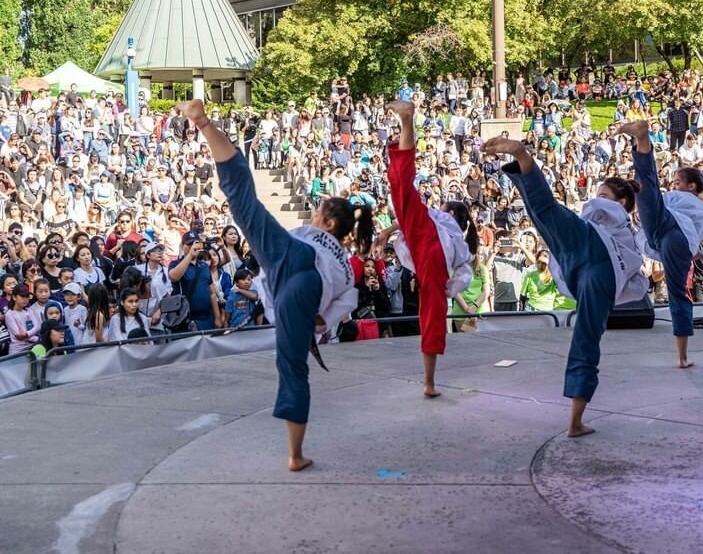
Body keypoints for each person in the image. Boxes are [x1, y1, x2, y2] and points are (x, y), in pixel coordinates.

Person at [181, 99, 365, 472]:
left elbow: (341, 298)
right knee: (293, 367)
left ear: (329, 223)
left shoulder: (319, 244)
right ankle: (295, 455)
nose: (313, 214)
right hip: (302, 280)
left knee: (243, 202)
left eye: (317, 212)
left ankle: (202, 123)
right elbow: (349, 299)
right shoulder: (345, 265)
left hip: (291, 263)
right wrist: (323, 320)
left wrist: (320, 318)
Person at [482, 136, 647, 438]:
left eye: (603, 194)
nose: (597, 198)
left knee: (545, 212)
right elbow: (637, 285)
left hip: (590, 252)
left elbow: (637, 277)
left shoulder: (617, 221)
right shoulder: (627, 233)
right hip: (588, 268)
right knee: (586, 338)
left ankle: (521, 156)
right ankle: (575, 421)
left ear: (621, 202)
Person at [619, 121, 703, 369]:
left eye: (678, 182)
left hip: (669, 229)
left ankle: (642, 140)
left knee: (646, 187)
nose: (674, 185)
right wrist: (702, 256)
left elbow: (654, 201)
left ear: (691, 186)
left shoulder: (676, 197)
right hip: (674, 243)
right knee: (678, 295)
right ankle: (682, 357)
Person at [383, 100, 474, 398]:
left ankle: (407, 122)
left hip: (429, 252)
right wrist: (451, 286)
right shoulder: (451, 234)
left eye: (443, 206)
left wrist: (386, 231)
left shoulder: (441, 224)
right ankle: (429, 383)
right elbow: (463, 269)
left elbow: (461, 269)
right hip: (430, 257)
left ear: (449, 213)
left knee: (400, 181)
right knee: (399, 181)